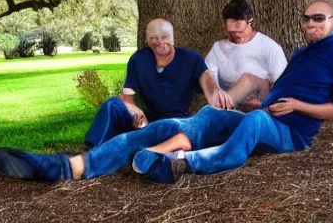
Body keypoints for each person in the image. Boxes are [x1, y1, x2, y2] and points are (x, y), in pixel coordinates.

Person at [0, 0, 333, 183]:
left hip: (290, 131)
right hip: (258, 113)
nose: (310, 23)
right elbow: (214, 84)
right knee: (181, 122)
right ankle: (70, 166)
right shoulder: (303, 52)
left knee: (254, 122)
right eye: (307, 17)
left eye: (318, 18)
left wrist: (296, 104)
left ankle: (181, 163)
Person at [83, 17, 232, 148]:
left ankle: (141, 149)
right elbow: (127, 100)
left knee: (173, 131)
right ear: (147, 39)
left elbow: (209, 85)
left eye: (165, 36)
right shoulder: (138, 60)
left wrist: (218, 94)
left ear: (173, 38)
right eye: (154, 37)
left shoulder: (191, 59)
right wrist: (138, 116)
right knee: (113, 104)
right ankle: (95, 147)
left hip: (176, 121)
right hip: (149, 120)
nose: (160, 42)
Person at [206, 0, 287, 110]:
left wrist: (262, 105)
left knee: (251, 79)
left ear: (250, 22)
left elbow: (284, 88)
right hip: (228, 109)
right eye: (232, 32)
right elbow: (209, 82)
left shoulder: (269, 47)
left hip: (261, 111)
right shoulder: (218, 49)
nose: (236, 36)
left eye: (240, 31)